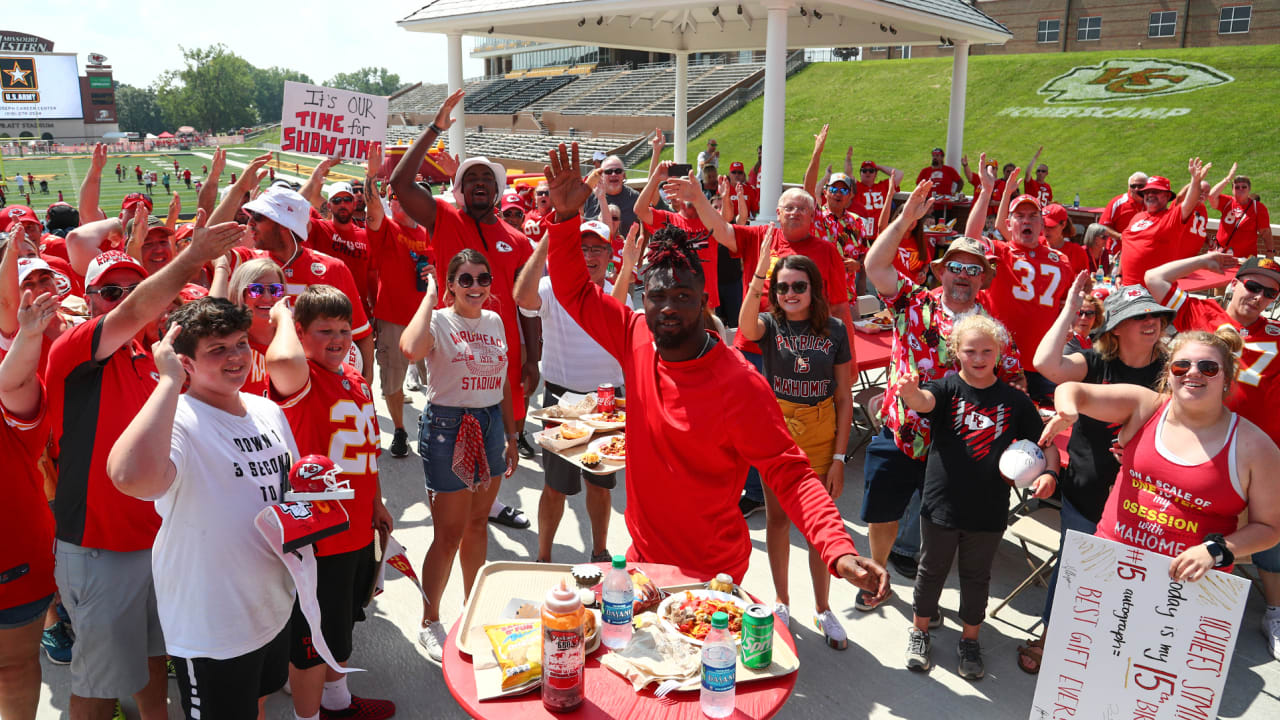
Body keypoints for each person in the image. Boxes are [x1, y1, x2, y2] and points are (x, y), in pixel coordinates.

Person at [541, 142, 889, 599]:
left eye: (683, 297)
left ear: (704, 302)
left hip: (713, 579)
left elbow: (790, 473)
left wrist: (837, 548)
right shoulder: (635, 335)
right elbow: (575, 293)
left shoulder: (739, 382)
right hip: (643, 565)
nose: (668, 309)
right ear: (643, 300)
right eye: (658, 297)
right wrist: (565, 222)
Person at [45, 223, 243, 720]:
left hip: (162, 543)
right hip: (100, 546)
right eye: (108, 292)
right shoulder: (74, 351)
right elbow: (135, 314)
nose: (122, 300)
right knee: (99, 683)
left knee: (158, 660)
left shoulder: (155, 360)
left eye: (131, 290)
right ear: (88, 300)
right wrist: (195, 254)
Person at [107, 299, 298, 720]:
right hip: (214, 626)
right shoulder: (179, 420)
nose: (236, 357)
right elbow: (128, 476)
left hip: (272, 606)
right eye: (218, 349)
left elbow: (288, 493)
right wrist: (167, 384)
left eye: (241, 343)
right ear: (185, 362)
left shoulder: (268, 410)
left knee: (257, 702)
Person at [860, 180, 1025, 607]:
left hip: (953, 447)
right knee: (883, 512)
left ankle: (924, 602)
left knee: (936, 525)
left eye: (974, 270)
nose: (964, 277)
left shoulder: (994, 329)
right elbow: (875, 265)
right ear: (941, 271)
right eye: (957, 267)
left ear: (984, 278)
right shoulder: (912, 302)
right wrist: (904, 220)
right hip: (900, 429)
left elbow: (1011, 382)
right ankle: (877, 576)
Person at [1018, 278, 1173, 673]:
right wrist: (1070, 306)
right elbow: (1045, 365)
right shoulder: (1096, 362)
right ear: (1116, 328)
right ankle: (1051, 635)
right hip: (1088, 490)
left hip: (1145, 496)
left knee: (1134, 576)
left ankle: (1115, 646)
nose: (1150, 320)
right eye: (1139, 315)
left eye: (1155, 313)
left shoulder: (1174, 369)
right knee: (1075, 566)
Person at [1042, 330, 1280, 583]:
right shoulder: (1146, 406)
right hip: (1110, 562)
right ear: (1168, 373)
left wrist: (1215, 550)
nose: (1193, 372)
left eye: (1209, 368)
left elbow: (1269, 528)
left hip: (1188, 585)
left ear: (1226, 379)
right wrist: (1068, 411)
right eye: (1181, 366)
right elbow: (1072, 390)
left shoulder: (1255, 446)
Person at [896, 314, 1057, 680]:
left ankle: (970, 639)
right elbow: (924, 402)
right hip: (941, 503)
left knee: (976, 577)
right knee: (930, 571)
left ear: (999, 352)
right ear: (956, 352)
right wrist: (910, 394)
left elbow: (1045, 445)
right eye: (971, 350)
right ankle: (920, 630)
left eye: (987, 350)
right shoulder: (946, 388)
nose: (980, 357)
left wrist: (1049, 473)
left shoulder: (1015, 402)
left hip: (989, 508)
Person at [388, 90, 541, 463]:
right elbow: (401, 184)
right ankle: (460, 509)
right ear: (458, 188)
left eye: (485, 178)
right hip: (450, 347)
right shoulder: (443, 218)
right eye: (469, 176)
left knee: (498, 441)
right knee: (454, 437)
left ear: (496, 190)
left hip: (503, 351)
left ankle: (487, 505)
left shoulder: (519, 241)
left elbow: (527, 306)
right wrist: (434, 129)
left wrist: (533, 358)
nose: (478, 182)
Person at [265, 286, 395, 720]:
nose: (338, 339)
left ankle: (337, 701)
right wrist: (283, 314)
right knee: (312, 645)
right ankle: (310, 714)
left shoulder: (353, 379)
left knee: (340, 629)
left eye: (344, 330)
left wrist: (377, 502)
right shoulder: (302, 377)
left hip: (356, 528)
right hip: (321, 539)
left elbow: (367, 452)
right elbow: (282, 360)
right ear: (300, 333)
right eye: (324, 331)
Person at [1144, 252, 1280, 659]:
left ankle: (1273, 610)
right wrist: (1206, 260)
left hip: (1259, 450)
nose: (1257, 296)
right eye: (1251, 285)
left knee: (1269, 532)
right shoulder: (1201, 312)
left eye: (1269, 291)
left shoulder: (1275, 331)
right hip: (1202, 442)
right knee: (1187, 523)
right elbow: (1154, 276)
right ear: (1235, 282)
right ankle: (1175, 605)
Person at [400, 249, 519, 662]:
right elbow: (410, 348)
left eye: (482, 279)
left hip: (490, 424)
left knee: (477, 524)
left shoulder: (495, 320)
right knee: (448, 534)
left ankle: (474, 606)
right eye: (464, 279)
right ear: (451, 283)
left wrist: (511, 435)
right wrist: (430, 293)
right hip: (449, 427)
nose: (475, 287)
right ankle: (429, 621)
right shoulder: (437, 319)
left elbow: (503, 381)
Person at [738, 246, 853, 650]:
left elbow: (844, 397)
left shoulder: (835, 330)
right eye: (782, 286)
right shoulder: (770, 324)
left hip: (822, 434)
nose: (790, 292)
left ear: (813, 288)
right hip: (778, 434)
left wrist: (840, 458)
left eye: (799, 286)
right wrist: (757, 281)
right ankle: (782, 601)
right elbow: (745, 327)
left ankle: (823, 608)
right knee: (778, 521)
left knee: (820, 530)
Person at [515, 222, 631, 565]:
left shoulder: (616, 291)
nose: (590, 256)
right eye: (582, 248)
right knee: (554, 487)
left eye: (597, 249)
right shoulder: (551, 289)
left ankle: (599, 552)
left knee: (600, 484)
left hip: (606, 399)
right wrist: (550, 238)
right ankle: (544, 558)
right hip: (561, 400)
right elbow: (522, 297)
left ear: (610, 255)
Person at [969, 163, 1072, 404]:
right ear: (1010, 223)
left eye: (1033, 216)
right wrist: (987, 192)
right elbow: (971, 237)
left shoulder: (1061, 260)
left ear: (1041, 223)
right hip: (1000, 360)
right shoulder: (1001, 252)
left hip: (1042, 360)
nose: (1027, 221)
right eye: (1020, 216)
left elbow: (1064, 302)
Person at [0, 287, 57, 720]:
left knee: (13, 668)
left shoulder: (11, 399)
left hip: (13, 564)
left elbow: (14, 381)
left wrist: (29, 335)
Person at [363, 148, 430, 459]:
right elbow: (373, 209)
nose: (394, 200)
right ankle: (401, 431)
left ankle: (434, 423)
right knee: (392, 378)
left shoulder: (430, 233)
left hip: (428, 318)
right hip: (393, 319)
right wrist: (371, 177)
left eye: (401, 196)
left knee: (438, 376)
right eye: (392, 196)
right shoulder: (387, 228)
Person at [1118, 159, 1212, 287]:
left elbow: (1188, 202)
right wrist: (1119, 275)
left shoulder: (1172, 217)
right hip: (1127, 290)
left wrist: (1195, 180)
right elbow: (1126, 245)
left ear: (1167, 197)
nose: (1150, 194)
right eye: (1146, 192)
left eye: (1156, 191)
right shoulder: (1137, 217)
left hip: (1154, 295)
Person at [300, 163, 374, 315]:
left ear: (354, 203)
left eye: (347, 199)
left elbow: (372, 277)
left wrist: (375, 312)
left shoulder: (366, 236)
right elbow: (296, 208)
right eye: (336, 201)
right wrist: (321, 170)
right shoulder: (318, 228)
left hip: (359, 311)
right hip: (324, 310)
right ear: (329, 205)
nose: (342, 204)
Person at [210, 258, 285, 397]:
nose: (268, 297)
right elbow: (211, 318)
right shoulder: (229, 345)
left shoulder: (296, 339)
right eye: (256, 289)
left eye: (275, 289)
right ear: (240, 293)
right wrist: (222, 268)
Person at [1208, 165, 1274, 256]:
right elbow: (1211, 196)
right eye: (1237, 187)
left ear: (1249, 189)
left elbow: (1266, 232)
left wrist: (1270, 252)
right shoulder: (1227, 202)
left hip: (1245, 258)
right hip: (1221, 254)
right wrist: (1228, 178)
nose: (1240, 189)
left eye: (1244, 187)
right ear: (1232, 190)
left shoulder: (1258, 207)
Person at [583, 154, 648, 237]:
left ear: (623, 175)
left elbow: (646, 226)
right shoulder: (589, 197)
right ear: (601, 176)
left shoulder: (635, 198)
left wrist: (640, 249)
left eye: (618, 171)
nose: (613, 174)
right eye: (608, 172)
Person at [1100, 172, 1148, 242]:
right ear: (1128, 187)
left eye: (1140, 186)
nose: (1136, 189)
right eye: (1133, 186)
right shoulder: (1118, 203)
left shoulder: (1152, 203)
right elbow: (1103, 226)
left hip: (1142, 248)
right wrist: (1120, 236)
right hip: (1118, 250)